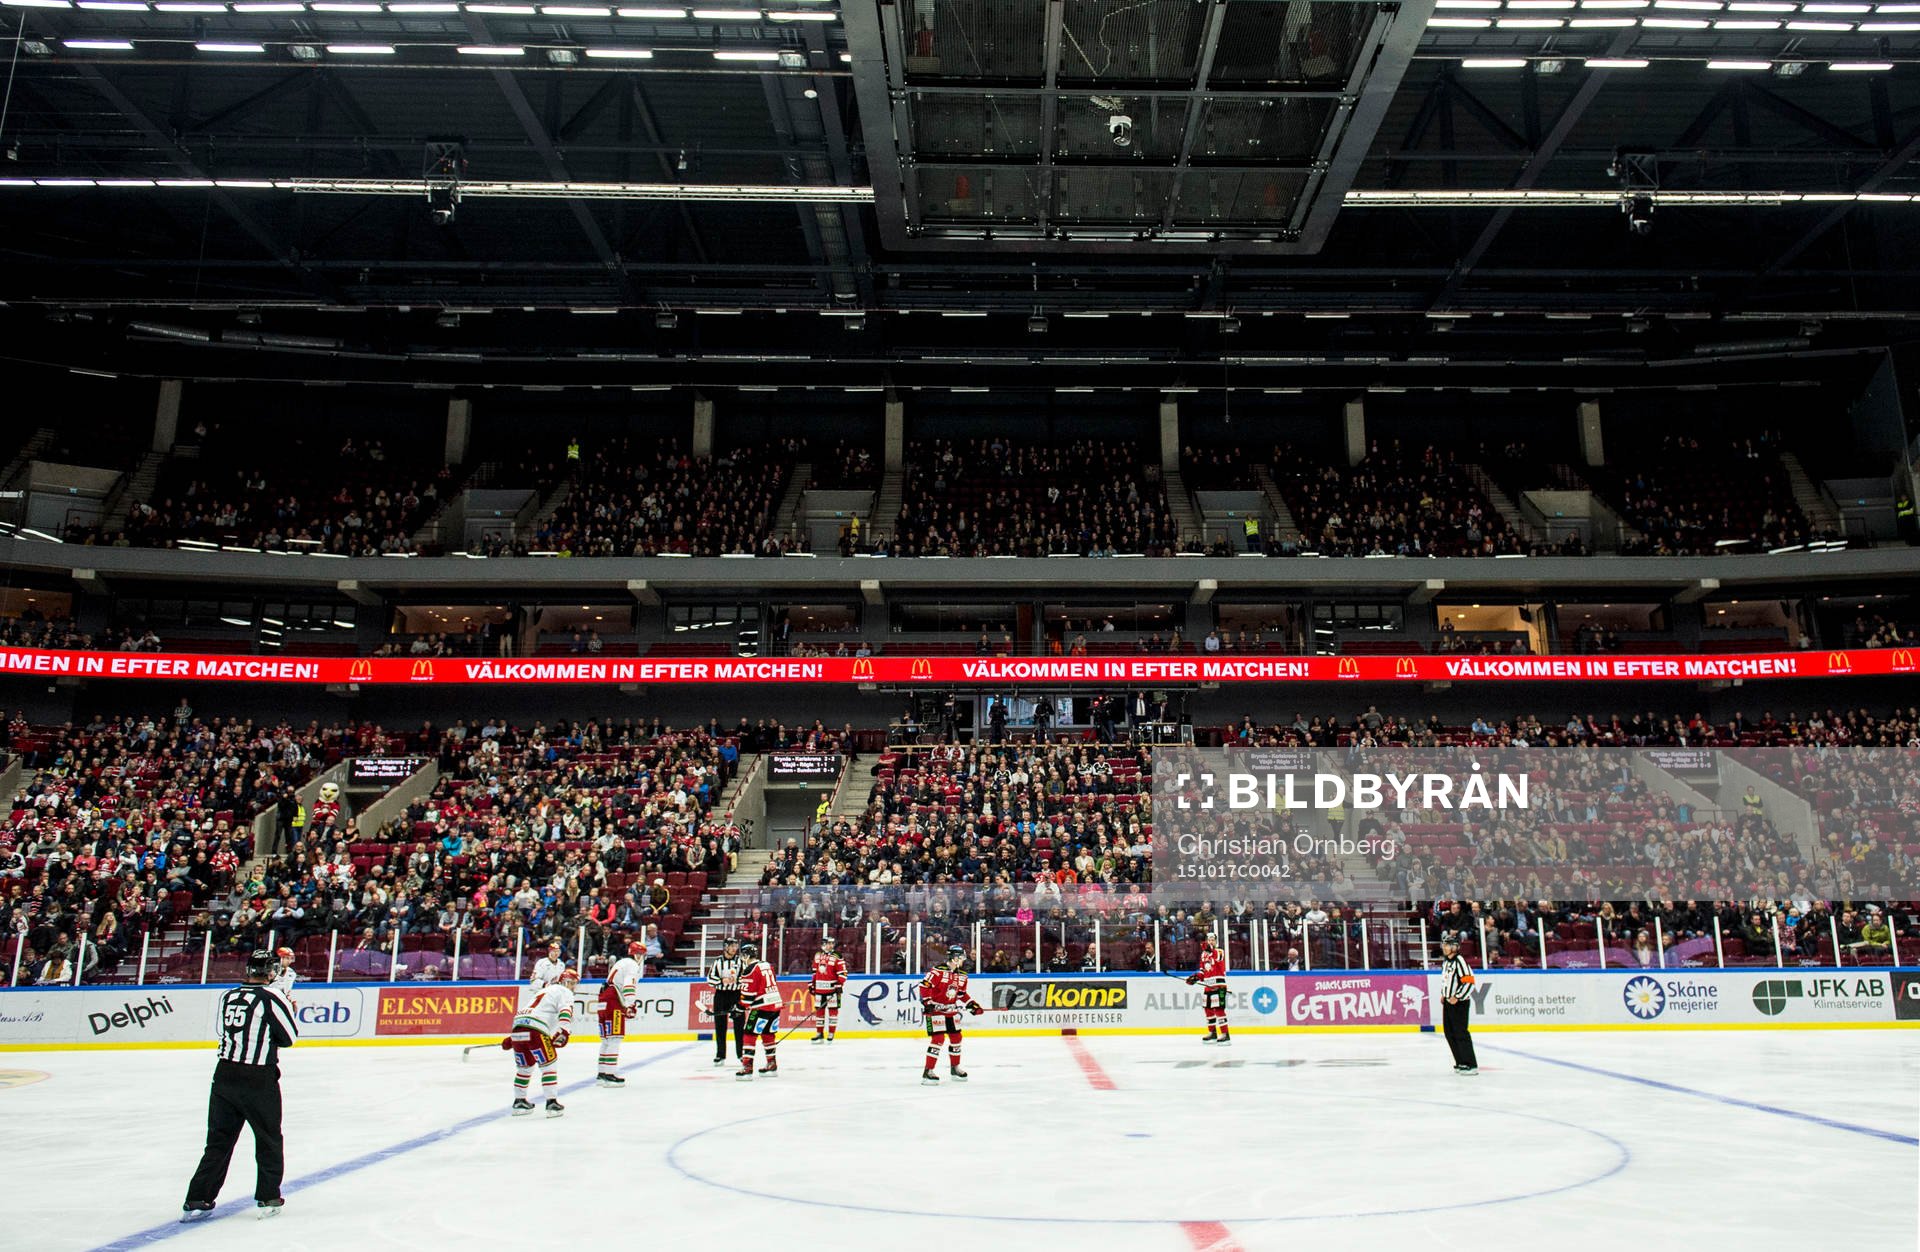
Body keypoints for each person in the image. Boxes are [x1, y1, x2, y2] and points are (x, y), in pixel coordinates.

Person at [181, 949, 297, 1221]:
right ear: (270, 973)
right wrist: (292, 1010)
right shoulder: (272, 996)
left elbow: (224, 1033)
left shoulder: (229, 995)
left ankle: (198, 1198)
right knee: (268, 1137)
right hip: (257, 1077)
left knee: (218, 1141)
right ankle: (268, 1196)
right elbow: (288, 1037)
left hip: (224, 1074)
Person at [504, 966, 577, 1116]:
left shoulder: (543, 991)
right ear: (566, 982)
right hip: (536, 1029)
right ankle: (551, 1103)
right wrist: (564, 1030)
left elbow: (530, 1012)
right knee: (549, 1064)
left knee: (524, 1068)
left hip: (518, 1027)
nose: (574, 987)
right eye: (573, 983)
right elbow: (565, 1011)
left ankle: (519, 1102)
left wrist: (512, 1038)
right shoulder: (565, 992)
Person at [917, 943, 983, 1083]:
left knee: (956, 1038)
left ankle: (955, 1068)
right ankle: (928, 1071)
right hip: (935, 1011)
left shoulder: (962, 976)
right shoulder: (937, 971)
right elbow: (924, 986)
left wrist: (972, 1004)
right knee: (938, 1039)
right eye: (961, 957)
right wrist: (928, 1002)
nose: (963, 960)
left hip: (951, 1011)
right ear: (954, 957)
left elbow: (961, 994)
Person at [596, 940, 646, 1086]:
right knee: (615, 1038)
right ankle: (609, 1074)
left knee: (606, 1040)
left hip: (603, 999)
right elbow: (629, 984)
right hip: (613, 1001)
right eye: (640, 955)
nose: (641, 957)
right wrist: (631, 1004)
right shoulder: (632, 965)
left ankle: (602, 1072)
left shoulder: (621, 962)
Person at [735, 941, 781, 1080]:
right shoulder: (767, 964)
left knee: (749, 1034)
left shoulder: (749, 969)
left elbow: (748, 997)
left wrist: (739, 1007)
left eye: (743, 955)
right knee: (768, 1034)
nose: (742, 958)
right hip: (775, 1005)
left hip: (761, 1007)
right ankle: (771, 1064)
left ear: (748, 955)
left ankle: (747, 1067)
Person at [1438, 932, 1478, 1076]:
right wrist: (1444, 994)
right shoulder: (1446, 962)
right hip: (1448, 1003)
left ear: (1455, 947)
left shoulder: (1459, 960)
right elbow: (1447, 981)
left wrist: (1458, 996)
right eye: (1444, 944)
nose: (1445, 947)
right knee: (1449, 1033)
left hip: (1459, 1003)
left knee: (1461, 1032)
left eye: (1447, 945)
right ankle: (1460, 1061)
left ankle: (1471, 1064)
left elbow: (1469, 982)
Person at [706, 935, 747, 1068]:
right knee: (720, 1025)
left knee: (739, 1026)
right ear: (726, 947)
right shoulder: (717, 961)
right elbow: (710, 979)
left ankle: (741, 1054)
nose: (735, 948)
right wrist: (722, 981)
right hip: (721, 996)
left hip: (736, 995)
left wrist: (738, 981)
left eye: (736, 946)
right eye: (732, 946)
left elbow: (746, 977)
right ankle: (720, 1054)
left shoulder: (741, 961)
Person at [1186, 930, 1230, 1045]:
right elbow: (1202, 971)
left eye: (1213, 939)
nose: (1211, 941)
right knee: (1208, 1009)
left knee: (1219, 1010)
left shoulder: (1220, 951)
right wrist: (1194, 978)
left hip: (1218, 985)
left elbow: (1215, 954)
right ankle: (1212, 1033)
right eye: (1209, 939)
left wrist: (1206, 947)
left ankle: (1225, 1034)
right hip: (1208, 986)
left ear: (1215, 941)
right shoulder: (1203, 954)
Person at [808, 933, 849, 1044]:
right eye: (828, 943)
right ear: (823, 944)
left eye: (832, 943)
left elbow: (843, 974)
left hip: (832, 990)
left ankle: (831, 1033)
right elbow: (814, 972)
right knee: (819, 1012)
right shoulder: (817, 956)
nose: (831, 945)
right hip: (819, 990)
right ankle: (819, 1033)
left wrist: (839, 985)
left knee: (833, 1012)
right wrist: (812, 984)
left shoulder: (837, 956)